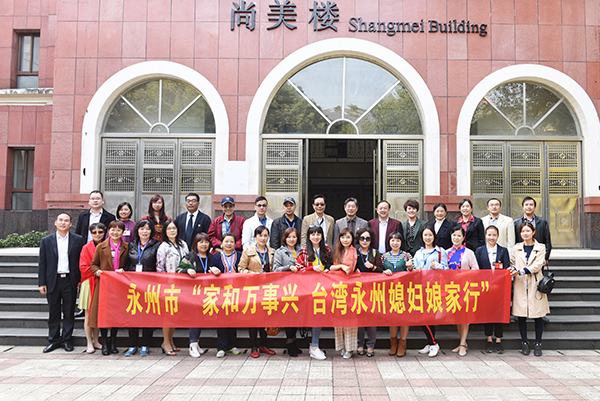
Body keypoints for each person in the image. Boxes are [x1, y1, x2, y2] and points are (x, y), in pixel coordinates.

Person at [38, 213, 85, 353]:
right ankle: (54, 340)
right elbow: (42, 263)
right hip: (52, 280)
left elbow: (81, 261)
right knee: (54, 312)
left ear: (71, 224)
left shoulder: (78, 240)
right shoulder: (46, 241)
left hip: (70, 280)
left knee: (69, 312)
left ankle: (67, 340)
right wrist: (41, 283)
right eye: (61, 220)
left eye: (66, 221)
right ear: (55, 222)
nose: (63, 223)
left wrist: (80, 280)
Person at [122, 220, 160, 357]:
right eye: (142, 229)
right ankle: (132, 345)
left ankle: (145, 345)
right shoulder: (131, 245)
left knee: (147, 315)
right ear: (137, 231)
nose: (144, 231)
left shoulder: (157, 245)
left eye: (147, 229)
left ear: (151, 231)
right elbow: (127, 264)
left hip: (150, 285)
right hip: (133, 285)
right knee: (133, 314)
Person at [90, 220, 128, 355]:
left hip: (119, 286)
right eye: (112, 229)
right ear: (108, 231)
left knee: (116, 314)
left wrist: (124, 270)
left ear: (123, 232)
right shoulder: (101, 246)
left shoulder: (127, 247)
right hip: (104, 285)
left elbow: (129, 265)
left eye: (118, 230)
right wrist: (97, 271)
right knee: (104, 314)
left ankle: (113, 342)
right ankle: (105, 342)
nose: (115, 232)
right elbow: (93, 264)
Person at [178, 233, 219, 358]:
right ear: (195, 244)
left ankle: (197, 343)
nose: (204, 244)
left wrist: (216, 271)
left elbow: (219, 272)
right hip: (193, 294)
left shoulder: (212, 257)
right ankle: (192, 344)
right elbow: (178, 271)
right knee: (194, 318)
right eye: (200, 242)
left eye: (206, 242)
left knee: (201, 319)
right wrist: (187, 271)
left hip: (208, 293)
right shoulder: (189, 257)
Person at [511, 222, 549, 357]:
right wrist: (513, 270)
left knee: (538, 315)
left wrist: (521, 271)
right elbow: (512, 262)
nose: (525, 234)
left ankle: (538, 343)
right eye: (523, 231)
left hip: (535, 283)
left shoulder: (541, 247)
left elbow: (538, 265)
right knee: (521, 315)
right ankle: (525, 342)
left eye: (528, 231)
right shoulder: (516, 248)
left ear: (533, 232)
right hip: (520, 284)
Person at [238, 226, 277, 358]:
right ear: (255, 237)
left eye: (265, 235)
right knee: (253, 318)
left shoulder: (272, 252)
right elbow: (240, 269)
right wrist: (253, 274)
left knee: (265, 318)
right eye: (260, 235)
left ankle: (264, 345)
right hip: (253, 289)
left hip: (268, 289)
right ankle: (254, 346)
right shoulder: (248, 251)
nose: (262, 238)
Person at [295, 225, 332, 360]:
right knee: (315, 316)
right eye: (313, 234)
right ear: (309, 236)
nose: (315, 237)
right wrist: (311, 269)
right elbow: (298, 269)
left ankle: (314, 345)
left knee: (319, 316)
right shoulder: (304, 252)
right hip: (308, 289)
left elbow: (331, 265)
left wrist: (328, 269)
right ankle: (314, 346)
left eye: (318, 234)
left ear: (322, 236)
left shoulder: (327, 251)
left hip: (324, 289)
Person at [413, 226, 448, 357]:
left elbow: (447, 269)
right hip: (420, 288)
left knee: (429, 317)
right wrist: (414, 269)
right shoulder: (418, 253)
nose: (427, 238)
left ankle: (433, 344)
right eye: (425, 235)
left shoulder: (440, 252)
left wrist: (437, 266)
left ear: (434, 236)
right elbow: (413, 270)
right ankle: (430, 342)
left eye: (430, 235)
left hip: (434, 288)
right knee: (421, 317)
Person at [475, 225, 510, 354]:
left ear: (498, 236)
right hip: (485, 288)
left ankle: (499, 340)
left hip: (500, 288)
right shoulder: (479, 250)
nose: (491, 237)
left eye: (494, 235)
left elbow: (506, 267)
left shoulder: (503, 251)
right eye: (489, 235)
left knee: (499, 313)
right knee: (488, 313)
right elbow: (477, 269)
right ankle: (489, 339)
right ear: (485, 235)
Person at [156, 219, 189, 355]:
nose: (172, 231)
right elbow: (160, 268)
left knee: (175, 314)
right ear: (165, 231)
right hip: (168, 285)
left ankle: (171, 340)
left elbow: (188, 261)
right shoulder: (163, 247)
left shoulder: (183, 244)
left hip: (182, 285)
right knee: (167, 314)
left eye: (174, 228)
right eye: (169, 228)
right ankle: (165, 342)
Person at [446, 226, 479, 357]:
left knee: (465, 317)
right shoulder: (446, 252)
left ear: (463, 237)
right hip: (451, 289)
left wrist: (463, 275)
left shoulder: (469, 253)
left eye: (459, 235)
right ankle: (462, 342)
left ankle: (462, 344)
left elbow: (476, 270)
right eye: (454, 235)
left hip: (465, 288)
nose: (456, 238)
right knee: (458, 317)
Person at [209, 232, 242, 358]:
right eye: (226, 241)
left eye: (231, 241)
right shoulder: (216, 257)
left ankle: (232, 345)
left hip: (236, 292)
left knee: (233, 319)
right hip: (221, 293)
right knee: (222, 320)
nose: (229, 244)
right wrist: (212, 270)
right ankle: (221, 347)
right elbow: (210, 271)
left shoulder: (239, 255)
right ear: (221, 243)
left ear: (235, 243)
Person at [272, 227, 303, 357]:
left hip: (300, 288)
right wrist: (288, 268)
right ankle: (289, 343)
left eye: (294, 237)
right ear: (284, 238)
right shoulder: (280, 252)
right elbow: (275, 269)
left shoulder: (302, 251)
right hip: (286, 289)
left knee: (297, 316)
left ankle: (294, 342)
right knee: (289, 315)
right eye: (289, 237)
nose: (291, 239)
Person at [382, 231, 413, 357]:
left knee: (404, 318)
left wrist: (410, 268)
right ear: (389, 242)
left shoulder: (407, 256)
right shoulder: (384, 256)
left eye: (398, 240)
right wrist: (384, 272)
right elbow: (378, 272)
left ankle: (402, 344)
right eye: (393, 240)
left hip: (404, 291)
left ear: (401, 242)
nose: (395, 243)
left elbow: (413, 273)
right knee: (393, 318)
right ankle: (393, 343)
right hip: (389, 292)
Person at [354, 227, 383, 357]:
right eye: (362, 238)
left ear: (371, 240)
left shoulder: (375, 253)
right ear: (358, 239)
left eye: (367, 238)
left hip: (372, 289)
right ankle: (360, 344)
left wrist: (373, 267)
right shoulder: (354, 252)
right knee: (359, 318)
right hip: (357, 290)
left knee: (371, 319)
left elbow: (381, 269)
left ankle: (371, 345)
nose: (364, 241)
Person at [330, 228, 358, 359]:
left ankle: (350, 348)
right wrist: (341, 266)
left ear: (352, 239)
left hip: (351, 289)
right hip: (337, 288)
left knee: (350, 320)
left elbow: (354, 269)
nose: (345, 240)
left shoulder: (355, 251)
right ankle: (341, 346)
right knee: (338, 319)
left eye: (348, 237)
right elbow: (330, 267)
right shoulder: (335, 250)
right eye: (342, 237)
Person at [78, 222, 106, 354]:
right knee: (88, 314)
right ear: (90, 233)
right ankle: (89, 342)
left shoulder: (106, 246)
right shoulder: (86, 248)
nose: (97, 234)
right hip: (89, 282)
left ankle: (96, 340)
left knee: (98, 314)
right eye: (94, 232)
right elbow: (83, 267)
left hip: (103, 283)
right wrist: (98, 271)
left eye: (100, 232)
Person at [514, 196, 552, 264]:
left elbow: (547, 241)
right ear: (523, 207)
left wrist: (545, 257)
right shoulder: (516, 223)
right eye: (526, 205)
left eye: (531, 205)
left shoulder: (542, 222)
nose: (528, 207)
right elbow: (514, 241)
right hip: (521, 256)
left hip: (538, 255)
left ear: (534, 207)